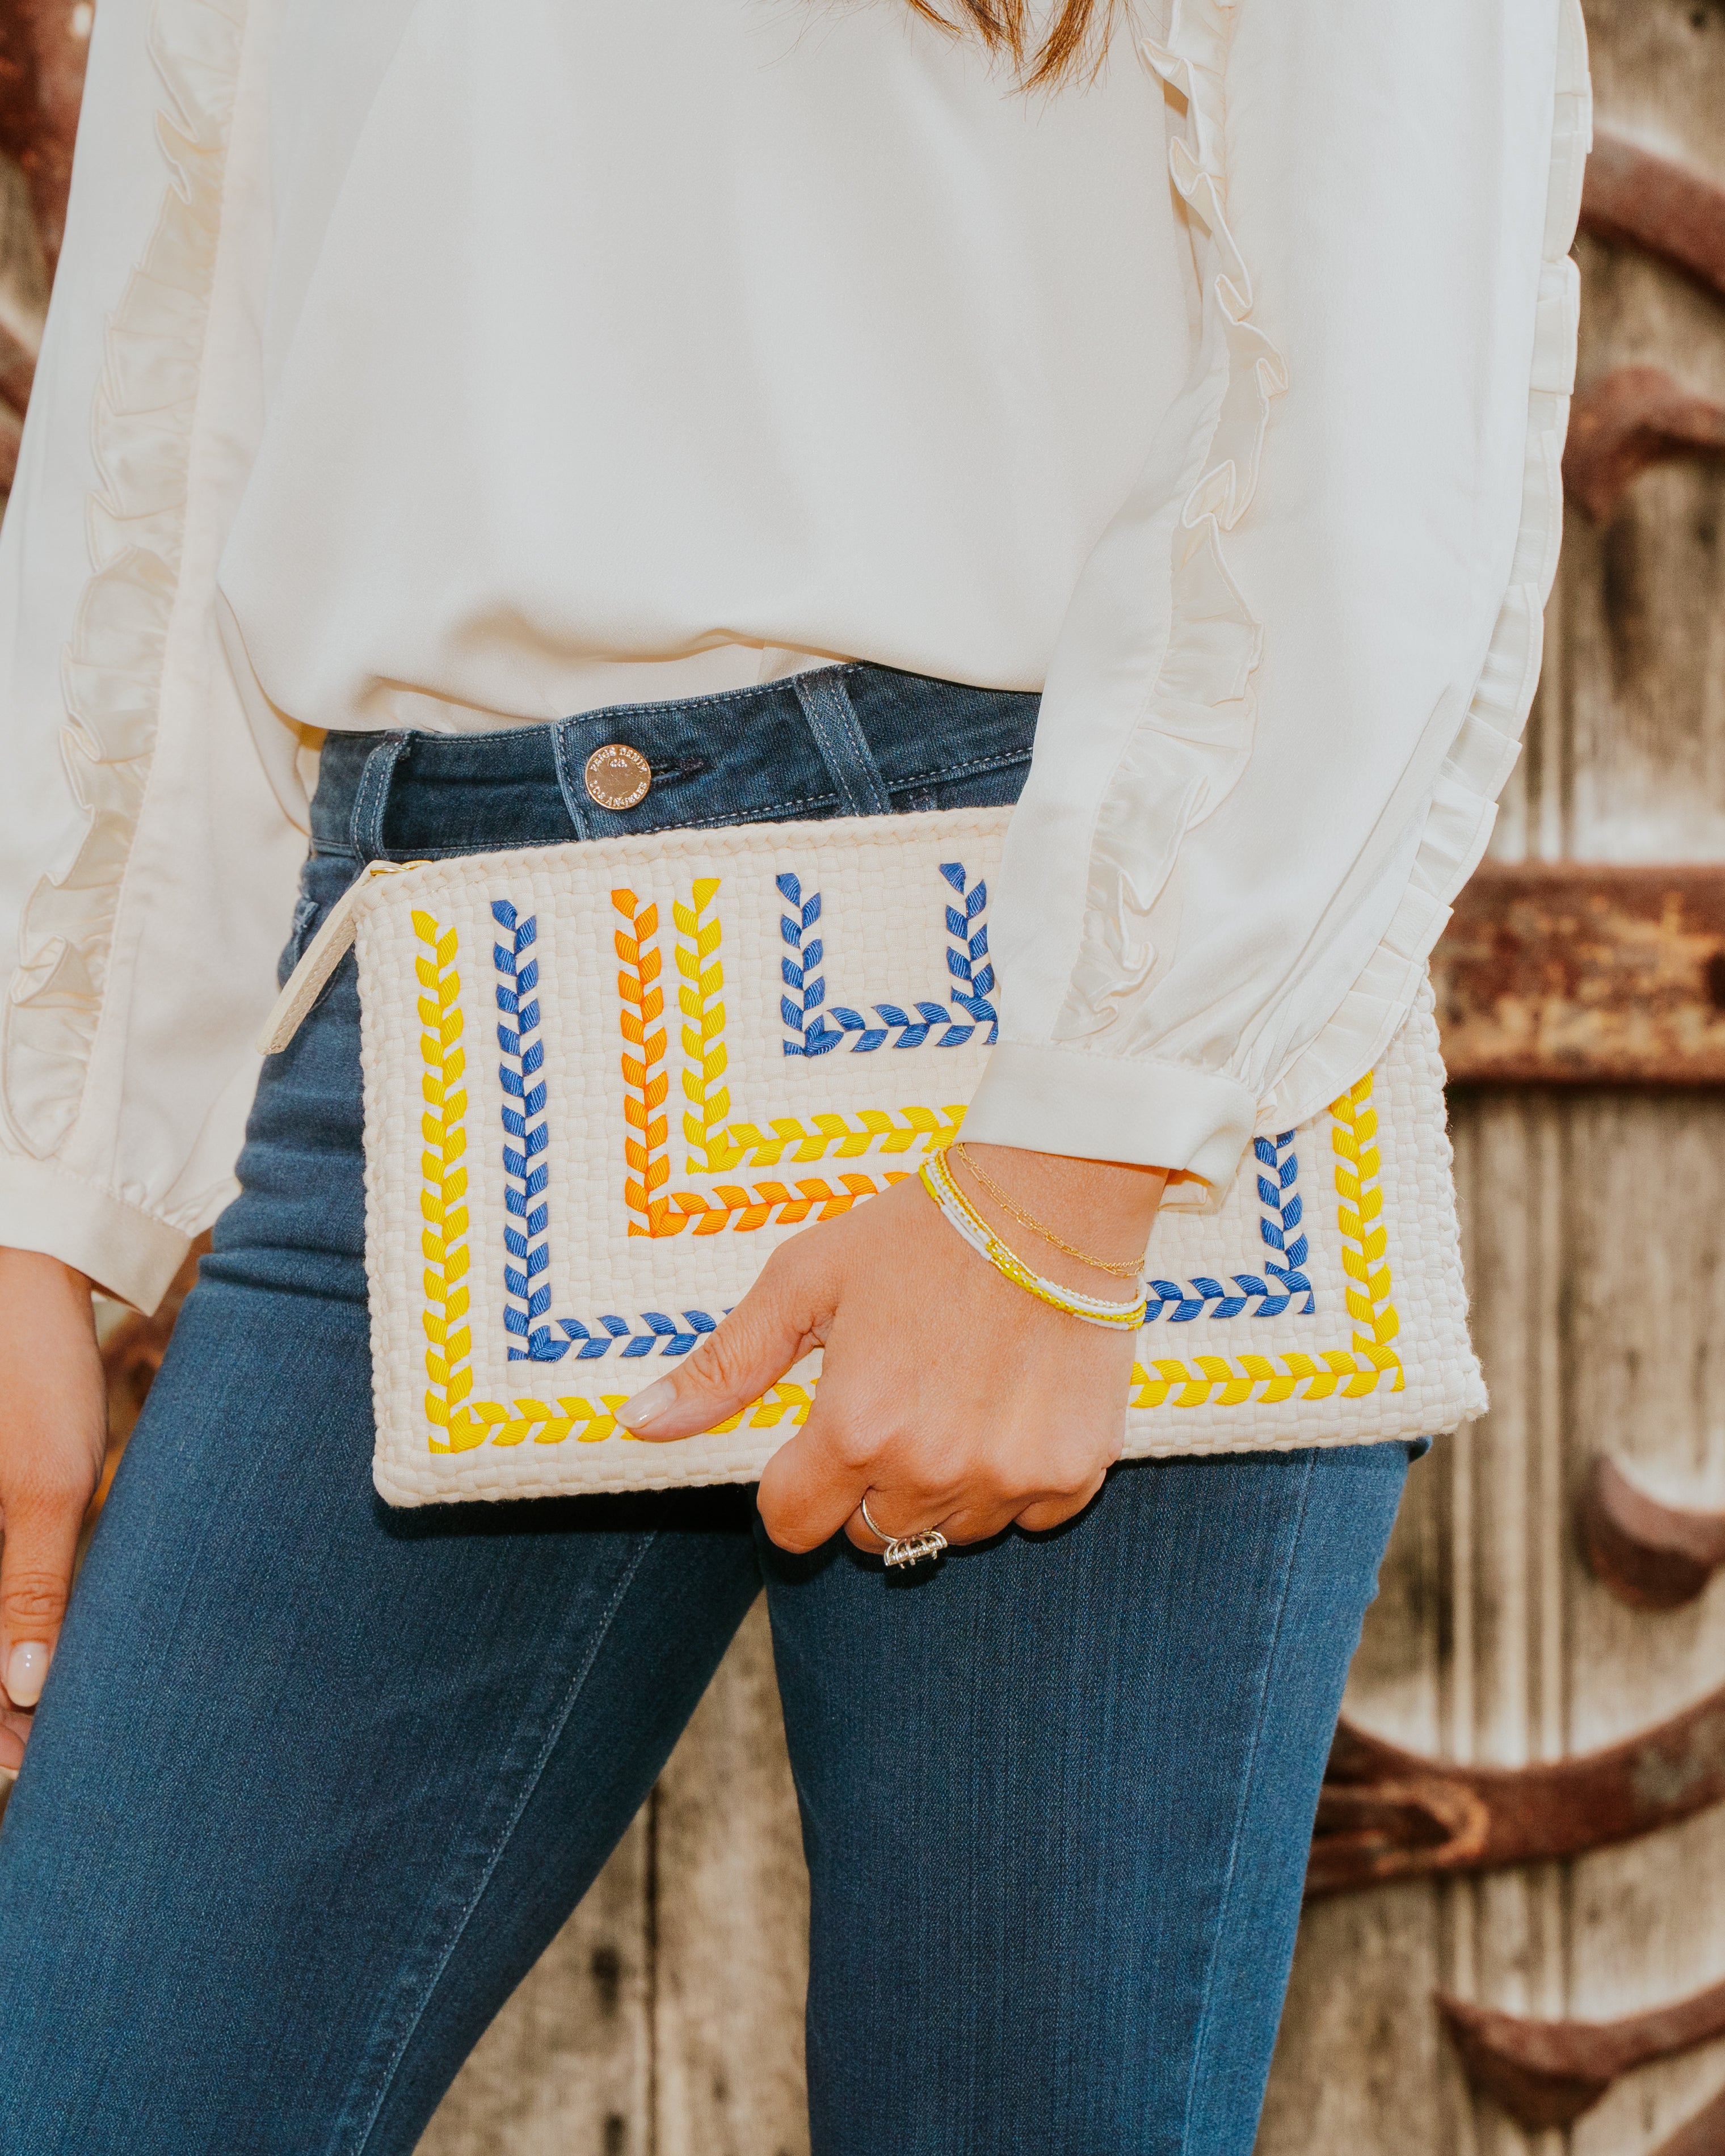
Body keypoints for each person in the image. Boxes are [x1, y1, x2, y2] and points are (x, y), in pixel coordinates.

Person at [0, 1, 1583, 2150]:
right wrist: (39, 1186)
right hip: (441, 994)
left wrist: (1073, 1163)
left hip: (1048, 987)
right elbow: (179, 371)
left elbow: (1388, 309)